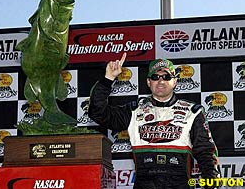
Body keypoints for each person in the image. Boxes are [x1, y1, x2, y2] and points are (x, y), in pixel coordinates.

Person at [88, 53, 220, 189]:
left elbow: (206, 154)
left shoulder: (193, 112)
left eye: (166, 77)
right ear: (148, 82)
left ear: (174, 82)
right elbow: (98, 113)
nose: (161, 81)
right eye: (155, 77)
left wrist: (212, 184)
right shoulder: (134, 111)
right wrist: (108, 79)